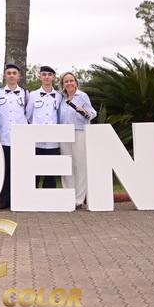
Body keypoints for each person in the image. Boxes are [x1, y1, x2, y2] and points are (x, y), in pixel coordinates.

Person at [58, 71, 97, 209]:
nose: (69, 83)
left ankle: (79, 199)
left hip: (79, 132)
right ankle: (68, 195)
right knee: (67, 166)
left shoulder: (82, 96)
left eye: (71, 81)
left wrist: (84, 111)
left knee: (80, 165)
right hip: (64, 134)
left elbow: (93, 113)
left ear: (75, 82)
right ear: (63, 84)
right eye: (66, 81)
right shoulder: (61, 98)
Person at [0, 63, 27, 209]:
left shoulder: (26, 94)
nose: (12, 75)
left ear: (19, 76)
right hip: (5, 138)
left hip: (21, 139)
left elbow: (29, 115)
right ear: (5, 76)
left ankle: (20, 198)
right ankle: (5, 199)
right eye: (9, 73)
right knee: (6, 170)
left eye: (14, 73)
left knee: (21, 169)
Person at [25, 65, 61, 188]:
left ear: (53, 77)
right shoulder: (33, 95)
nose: (47, 77)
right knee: (34, 172)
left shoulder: (59, 96)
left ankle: (49, 197)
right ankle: (32, 197)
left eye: (49, 75)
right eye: (44, 74)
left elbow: (59, 116)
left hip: (53, 142)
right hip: (36, 141)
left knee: (50, 172)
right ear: (40, 77)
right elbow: (28, 116)